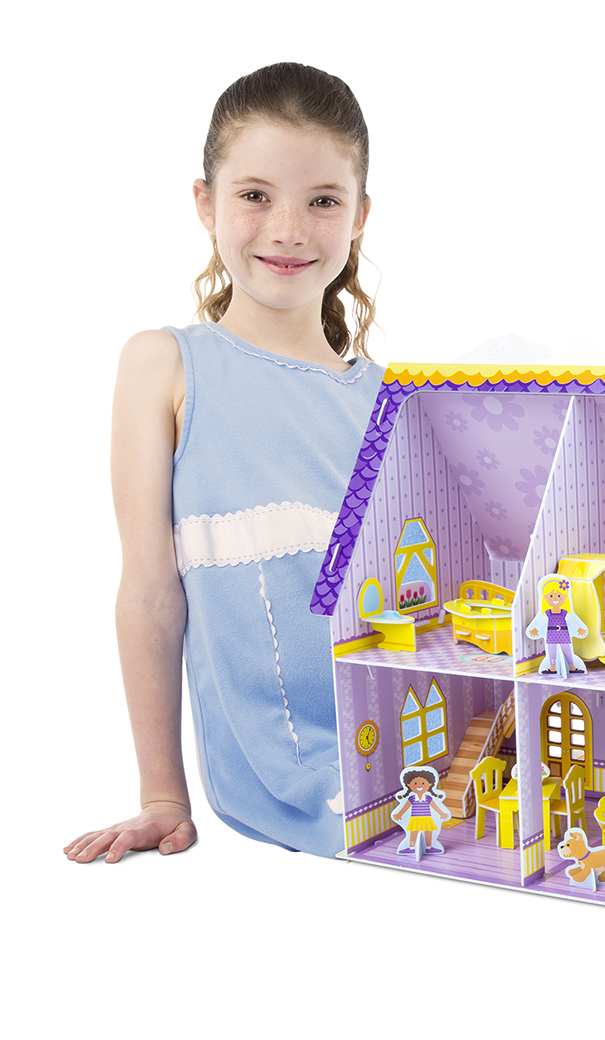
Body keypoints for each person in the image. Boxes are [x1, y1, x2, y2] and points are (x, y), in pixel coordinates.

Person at [63, 63, 384, 863]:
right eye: (255, 195)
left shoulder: (390, 399)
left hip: (404, 745)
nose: (289, 228)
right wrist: (162, 796)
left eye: (323, 201)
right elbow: (150, 592)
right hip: (278, 776)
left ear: (359, 217)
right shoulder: (166, 365)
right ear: (205, 204)